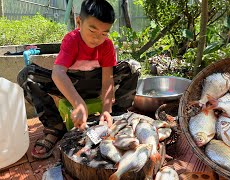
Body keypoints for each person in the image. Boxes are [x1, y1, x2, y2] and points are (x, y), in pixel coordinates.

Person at [17, 0, 140, 159]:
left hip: (96, 84)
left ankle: (116, 118)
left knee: (133, 67)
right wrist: (78, 103)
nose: (97, 38)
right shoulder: (71, 40)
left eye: (104, 33)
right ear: (79, 22)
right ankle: (55, 128)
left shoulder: (107, 45)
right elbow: (58, 73)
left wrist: (106, 109)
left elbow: (107, 80)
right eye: (92, 30)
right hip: (70, 85)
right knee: (27, 75)